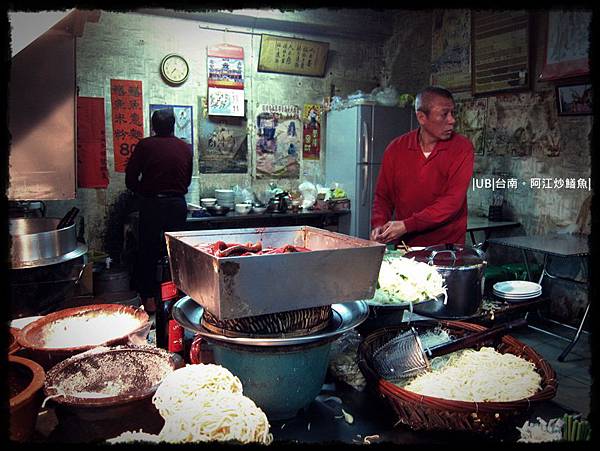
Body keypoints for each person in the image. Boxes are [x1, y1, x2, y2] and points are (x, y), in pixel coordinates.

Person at [370, 86, 474, 247]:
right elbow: (383, 196)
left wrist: (406, 225)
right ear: (421, 117)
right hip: (406, 246)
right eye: (444, 114)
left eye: (453, 113)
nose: (452, 120)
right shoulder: (396, 148)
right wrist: (379, 224)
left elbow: (452, 202)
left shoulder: (462, 148)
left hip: (446, 249)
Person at [126, 108, 193, 312]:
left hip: (152, 205)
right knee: (176, 254)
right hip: (177, 205)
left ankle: (150, 301)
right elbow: (188, 180)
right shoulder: (185, 147)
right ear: (173, 125)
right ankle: (179, 299)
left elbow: (130, 180)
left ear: (153, 126)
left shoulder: (145, 145)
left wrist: (144, 192)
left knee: (148, 252)